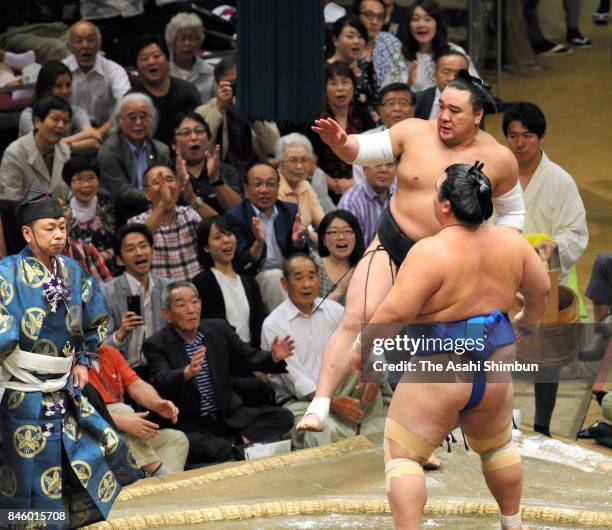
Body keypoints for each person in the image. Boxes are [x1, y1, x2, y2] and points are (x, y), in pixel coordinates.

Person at [298, 71, 525, 433]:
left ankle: (424, 436)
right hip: (393, 246)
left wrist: (504, 243)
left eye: (455, 110)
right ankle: (320, 403)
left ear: (478, 115)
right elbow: (361, 151)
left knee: (431, 349)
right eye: (442, 107)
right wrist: (340, 142)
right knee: (358, 317)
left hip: (448, 263)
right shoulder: (413, 131)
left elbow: (513, 211)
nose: (444, 117)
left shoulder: (499, 158)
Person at [350, 162, 549, 530]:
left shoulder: (431, 251)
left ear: (444, 205)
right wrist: (529, 324)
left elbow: (394, 312)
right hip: (493, 369)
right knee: (498, 447)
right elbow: (542, 290)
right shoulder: (513, 243)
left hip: (439, 370)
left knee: (404, 457)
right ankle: (513, 523)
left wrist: (361, 347)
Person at [0, 186, 141, 527]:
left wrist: (83, 361)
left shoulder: (73, 271)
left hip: (66, 390)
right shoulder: (6, 273)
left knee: (83, 462)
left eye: (62, 226)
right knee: (26, 475)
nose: (59, 234)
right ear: (27, 233)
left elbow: (96, 322)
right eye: (50, 228)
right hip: (22, 393)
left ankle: (72, 522)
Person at [503, 101, 588, 437]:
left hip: (545, 276)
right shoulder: (499, 176)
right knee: (498, 351)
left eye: (527, 135)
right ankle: (499, 420)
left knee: (546, 359)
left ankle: (542, 425)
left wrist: (555, 245)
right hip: (505, 277)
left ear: (542, 137)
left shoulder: (560, 180)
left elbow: (576, 231)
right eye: (513, 136)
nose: (520, 143)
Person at [142, 281, 295, 463]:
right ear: (167, 314)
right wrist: (186, 372)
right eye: (181, 305)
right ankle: (235, 447)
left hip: (228, 417)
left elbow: (248, 357)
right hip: (192, 424)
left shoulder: (218, 329)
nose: (191, 309)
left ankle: (235, 446)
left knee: (283, 417)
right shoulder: (156, 344)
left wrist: (273, 357)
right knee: (187, 442)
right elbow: (160, 380)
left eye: (194, 301)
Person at [263, 253, 384, 448]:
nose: (307, 284)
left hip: (345, 389)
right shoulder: (273, 324)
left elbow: (363, 340)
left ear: (319, 280)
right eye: (299, 277)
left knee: (368, 365)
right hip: (302, 402)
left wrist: (373, 372)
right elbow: (295, 379)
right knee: (321, 432)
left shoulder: (334, 309)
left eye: (312, 276)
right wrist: (330, 402)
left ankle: (370, 427)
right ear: (285, 284)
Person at [89, 343, 189, 477]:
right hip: (94, 438)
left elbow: (136, 384)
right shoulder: (68, 362)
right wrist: (121, 421)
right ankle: (158, 472)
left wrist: (157, 403)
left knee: (175, 438)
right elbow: (78, 410)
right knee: (122, 410)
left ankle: (160, 487)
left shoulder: (109, 352)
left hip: (125, 435)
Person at [224, 162, 307, 312]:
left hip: (289, 273)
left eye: (270, 184)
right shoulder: (236, 217)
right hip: (257, 277)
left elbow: (302, 253)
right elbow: (241, 266)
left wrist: (298, 242)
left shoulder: (289, 211)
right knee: (274, 277)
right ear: (246, 190)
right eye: (257, 184)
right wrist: (258, 243)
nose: (264, 190)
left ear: (277, 187)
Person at [128, 164, 217, 281]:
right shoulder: (137, 222)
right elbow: (139, 239)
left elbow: (219, 227)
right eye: (157, 183)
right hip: (161, 294)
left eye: (169, 180)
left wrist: (193, 199)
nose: (165, 186)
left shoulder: (190, 214)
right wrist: (163, 204)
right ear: (146, 193)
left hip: (196, 292)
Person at [102, 224, 170, 377]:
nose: (139, 252)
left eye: (143, 246)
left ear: (152, 250)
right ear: (119, 259)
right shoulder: (106, 293)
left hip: (163, 369)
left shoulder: (167, 288)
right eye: (130, 249)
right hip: (125, 373)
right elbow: (99, 348)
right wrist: (121, 333)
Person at [196, 57, 280, 176]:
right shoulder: (203, 111)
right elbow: (201, 148)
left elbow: (273, 147)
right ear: (217, 84)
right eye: (230, 84)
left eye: (238, 83)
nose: (235, 88)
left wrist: (252, 113)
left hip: (255, 173)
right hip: (219, 173)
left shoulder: (259, 108)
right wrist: (218, 109)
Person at [192, 216, 267, 348]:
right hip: (225, 356)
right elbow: (216, 329)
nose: (226, 240)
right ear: (206, 247)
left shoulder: (249, 282)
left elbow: (259, 324)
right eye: (217, 237)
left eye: (229, 234)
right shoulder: (203, 281)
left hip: (253, 355)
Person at [98, 93, 172, 223]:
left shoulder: (161, 150)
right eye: (131, 117)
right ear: (119, 121)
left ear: (151, 119)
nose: (138, 122)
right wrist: (156, 195)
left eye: (143, 117)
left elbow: (166, 184)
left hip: (156, 209)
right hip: (121, 213)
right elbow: (121, 191)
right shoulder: (109, 151)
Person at [311, 62, 376, 204]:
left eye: (345, 82)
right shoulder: (317, 118)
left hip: (360, 185)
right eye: (333, 83)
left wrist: (353, 181)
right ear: (325, 88)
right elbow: (310, 160)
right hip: (324, 189)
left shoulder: (364, 115)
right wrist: (331, 183)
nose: (340, 88)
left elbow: (373, 154)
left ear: (353, 86)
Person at [130, 35, 202, 146]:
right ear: (136, 67)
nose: (151, 62)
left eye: (156, 56)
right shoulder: (131, 100)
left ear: (168, 60)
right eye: (144, 58)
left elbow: (199, 128)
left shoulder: (187, 90)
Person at [19, 60, 102, 152]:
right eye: (58, 86)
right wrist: (82, 137)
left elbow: (95, 141)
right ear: (46, 87)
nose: (65, 91)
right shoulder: (28, 115)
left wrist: (60, 149)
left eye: (68, 85)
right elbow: (42, 145)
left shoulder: (76, 111)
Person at [1, 95, 72, 201]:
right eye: (55, 119)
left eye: (66, 121)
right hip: (26, 216)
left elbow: (68, 193)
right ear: (37, 121)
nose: (61, 125)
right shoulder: (14, 153)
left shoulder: (64, 150)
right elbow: (11, 201)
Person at [64, 20, 131, 131]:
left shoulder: (114, 70)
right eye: (78, 41)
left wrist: (100, 132)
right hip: (69, 131)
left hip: (106, 131)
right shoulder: (60, 70)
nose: (85, 45)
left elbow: (126, 105)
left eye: (90, 40)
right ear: (69, 46)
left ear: (99, 44)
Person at [172, 111, 242, 213]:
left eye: (199, 131)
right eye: (185, 133)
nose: (194, 137)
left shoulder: (225, 171)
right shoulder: (167, 173)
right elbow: (163, 211)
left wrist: (216, 180)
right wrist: (179, 180)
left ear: (208, 139)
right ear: (174, 144)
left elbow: (238, 210)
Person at [402, 0, 479, 92]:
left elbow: (476, 89)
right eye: (415, 19)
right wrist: (408, 83)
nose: (421, 25)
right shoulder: (401, 55)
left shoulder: (455, 53)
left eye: (427, 19)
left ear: (438, 24)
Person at [352, 82, 414, 184]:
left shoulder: (425, 140)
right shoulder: (365, 140)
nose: (397, 108)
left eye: (403, 103)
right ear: (379, 110)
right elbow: (360, 186)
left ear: (413, 108)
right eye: (390, 103)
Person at [62, 154, 116, 272]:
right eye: (79, 179)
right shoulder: (63, 212)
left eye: (91, 178)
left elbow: (123, 241)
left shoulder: (110, 205)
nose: (86, 185)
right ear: (69, 184)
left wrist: (104, 256)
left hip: (110, 270)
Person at [327, 15, 378, 120]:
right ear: (335, 40)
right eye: (350, 36)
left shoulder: (367, 66)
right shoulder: (324, 70)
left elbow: (374, 100)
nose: (356, 41)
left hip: (366, 127)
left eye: (360, 37)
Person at [276, 133, 325, 238]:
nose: (299, 166)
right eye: (292, 160)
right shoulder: (274, 188)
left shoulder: (305, 185)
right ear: (280, 163)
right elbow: (288, 232)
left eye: (304, 160)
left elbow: (322, 224)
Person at [313, 210, 365, 306]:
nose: (341, 237)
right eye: (334, 232)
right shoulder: (314, 267)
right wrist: (338, 292)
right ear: (323, 239)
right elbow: (310, 314)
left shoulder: (365, 267)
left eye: (347, 231)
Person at [339, 160, 396, 246]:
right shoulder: (350, 202)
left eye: (389, 165)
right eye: (377, 164)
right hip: (361, 258)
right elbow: (347, 246)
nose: (384, 170)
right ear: (364, 169)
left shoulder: (402, 196)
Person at [353, 0, 408, 88]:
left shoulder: (391, 42)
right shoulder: (346, 44)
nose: (374, 22)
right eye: (368, 15)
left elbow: (402, 79)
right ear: (356, 16)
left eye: (380, 17)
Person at [165, 12, 216, 104]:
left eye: (191, 38)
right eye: (182, 38)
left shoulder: (210, 73)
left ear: (199, 42)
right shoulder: (163, 71)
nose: (187, 43)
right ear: (172, 42)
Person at [414, 48, 469, 120]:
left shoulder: (474, 103)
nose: (452, 78)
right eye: (446, 72)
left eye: (459, 73)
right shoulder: (417, 100)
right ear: (435, 73)